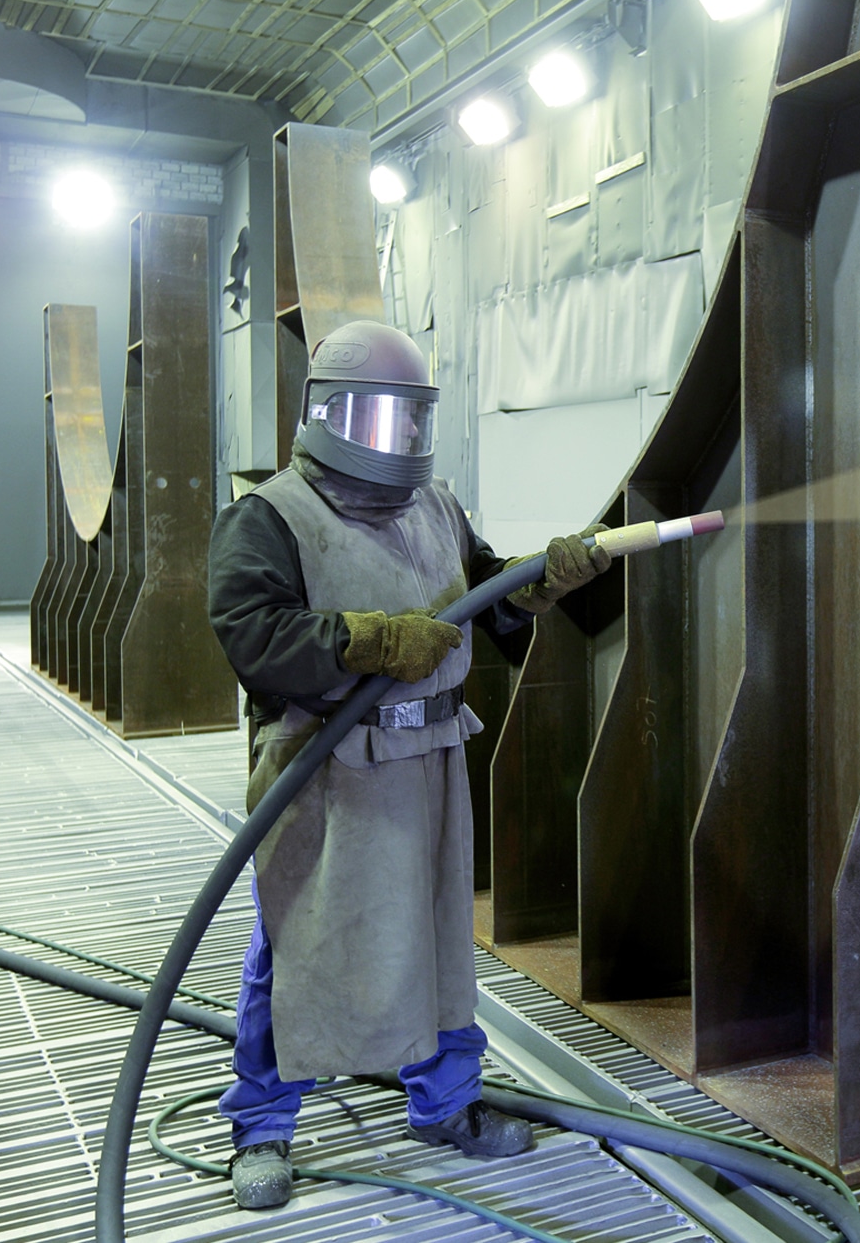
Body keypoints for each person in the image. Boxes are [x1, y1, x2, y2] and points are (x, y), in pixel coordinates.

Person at [205, 319, 610, 1210]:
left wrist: (542, 579)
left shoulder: (435, 506)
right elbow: (252, 634)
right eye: (373, 418)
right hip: (327, 773)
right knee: (299, 943)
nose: (394, 440)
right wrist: (369, 641)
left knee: (437, 939)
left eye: (408, 419)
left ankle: (446, 1102)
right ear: (325, 413)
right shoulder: (271, 517)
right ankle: (262, 1124)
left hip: (430, 761)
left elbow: (486, 593)